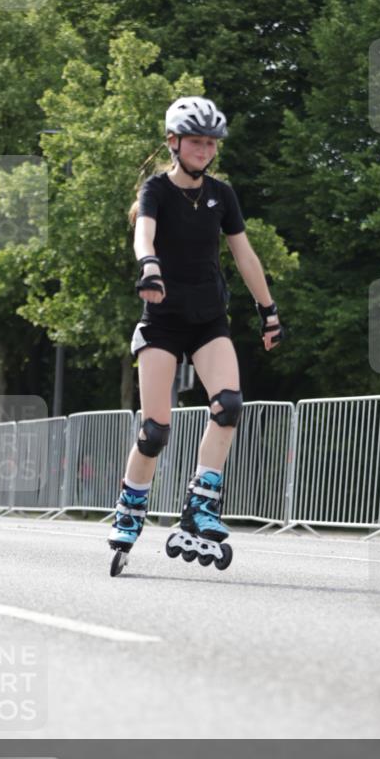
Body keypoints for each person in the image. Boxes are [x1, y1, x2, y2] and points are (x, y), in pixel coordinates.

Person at [108, 96, 282, 568]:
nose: (204, 150)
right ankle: (130, 509)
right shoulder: (156, 190)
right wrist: (149, 264)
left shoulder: (222, 195)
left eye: (211, 143)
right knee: (155, 430)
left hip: (208, 318)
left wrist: (268, 309)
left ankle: (201, 504)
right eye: (196, 142)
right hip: (162, 320)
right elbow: (143, 232)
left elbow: (245, 256)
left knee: (228, 406)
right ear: (174, 143)